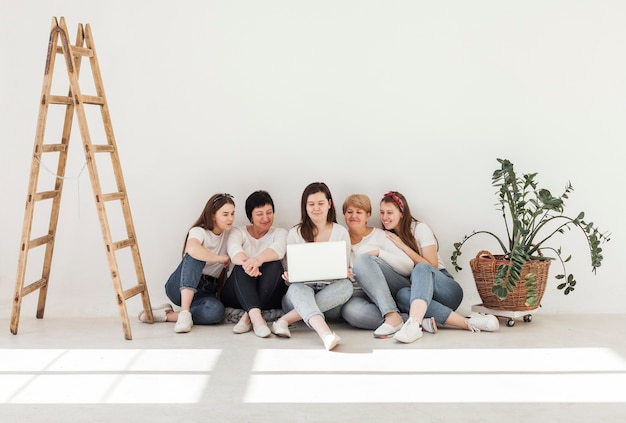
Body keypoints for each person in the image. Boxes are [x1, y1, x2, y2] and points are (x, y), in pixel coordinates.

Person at [379, 191, 499, 343]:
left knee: (421, 268)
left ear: (402, 213)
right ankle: (467, 323)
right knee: (402, 295)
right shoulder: (385, 236)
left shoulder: (419, 229)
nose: (384, 217)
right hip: (419, 294)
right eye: (382, 212)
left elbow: (431, 266)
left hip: (445, 289)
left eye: (389, 212)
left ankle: (414, 324)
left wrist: (401, 245)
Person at [339, 194, 437, 338]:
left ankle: (392, 315)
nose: (354, 216)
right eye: (349, 212)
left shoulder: (380, 235)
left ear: (368, 215)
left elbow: (408, 266)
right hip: (359, 293)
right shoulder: (340, 238)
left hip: (386, 289)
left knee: (363, 258)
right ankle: (414, 322)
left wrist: (380, 253)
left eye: (359, 212)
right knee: (350, 312)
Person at [271, 182, 353, 351]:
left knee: (346, 286)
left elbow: (342, 266)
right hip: (299, 295)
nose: (316, 208)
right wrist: (288, 277)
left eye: (321, 203)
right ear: (305, 207)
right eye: (311, 204)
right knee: (297, 288)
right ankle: (325, 334)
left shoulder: (340, 232)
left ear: (329, 204)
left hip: (330, 299)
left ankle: (284, 320)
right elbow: (290, 271)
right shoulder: (295, 233)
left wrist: (345, 272)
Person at [138, 193, 235, 333]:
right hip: (178, 286)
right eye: (225, 214)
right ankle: (184, 312)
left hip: (206, 290)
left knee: (216, 313)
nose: (230, 218)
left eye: (232, 213)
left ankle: (169, 315)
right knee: (196, 255)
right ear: (213, 215)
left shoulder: (231, 234)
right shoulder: (199, 231)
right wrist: (220, 259)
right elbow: (193, 249)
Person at [220, 190, 288, 338]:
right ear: (250, 215)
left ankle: (250, 316)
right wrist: (249, 264)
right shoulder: (238, 231)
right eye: (259, 214)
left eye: (269, 212)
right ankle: (257, 319)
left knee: (275, 264)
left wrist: (258, 260)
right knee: (239, 266)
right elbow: (234, 250)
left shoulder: (280, 233)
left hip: (269, 294)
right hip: (237, 293)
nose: (266, 218)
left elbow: (279, 250)